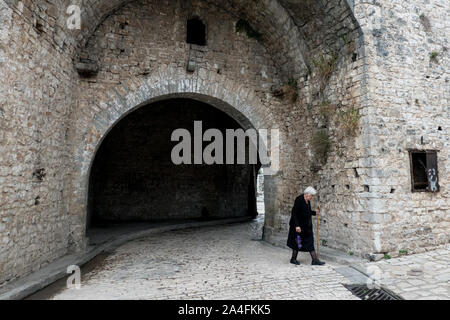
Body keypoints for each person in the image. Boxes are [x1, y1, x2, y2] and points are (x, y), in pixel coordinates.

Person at [286, 186, 325, 265]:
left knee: (310, 241)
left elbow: (307, 211)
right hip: (298, 226)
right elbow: (294, 213)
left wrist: (314, 213)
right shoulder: (299, 199)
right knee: (298, 242)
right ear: (307, 194)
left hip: (306, 227)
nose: (312, 198)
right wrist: (297, 226)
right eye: (311, 196)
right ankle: (293, 259)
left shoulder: (307, 201)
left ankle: (314, 260)